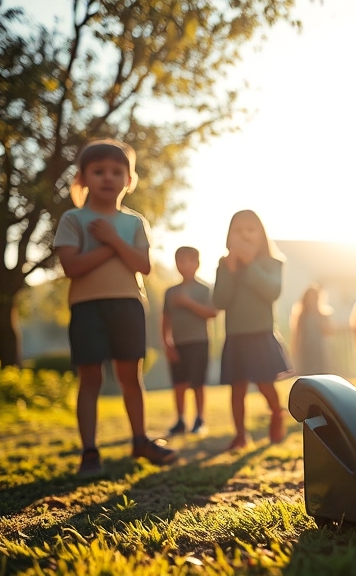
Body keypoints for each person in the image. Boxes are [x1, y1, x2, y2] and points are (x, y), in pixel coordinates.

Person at [53, 139, 177, 477]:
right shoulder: (73, 219)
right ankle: (90, 452)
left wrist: (112, 239)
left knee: (130, 377)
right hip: (87, 308)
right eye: (99, 171)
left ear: (129, 180)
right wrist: (111, 246)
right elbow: (72, 268)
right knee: (90, 378)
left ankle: (140, 440)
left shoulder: (135, 223)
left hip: (128, 306)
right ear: (82, 178)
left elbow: (144, 266)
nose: (108, 177)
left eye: (116, 171)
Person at [212, 210, 292, 451]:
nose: (244, 234)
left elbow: (272, 292)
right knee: (237, 388)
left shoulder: (272, 263)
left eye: (251, 229)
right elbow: (220, 300)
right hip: (236, 336)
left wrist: (249, 265)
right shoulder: (224, 265)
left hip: (260, 334)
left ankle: (277, 413)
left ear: (262, 235)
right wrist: (233, 268)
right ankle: (240, 435)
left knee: (265, 383)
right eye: (238, 230)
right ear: (229, 236)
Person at [162, 246, 218, 437]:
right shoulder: (170, 292)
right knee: (179, 383)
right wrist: (166, 342)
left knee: (197, 383)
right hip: (178, 343)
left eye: (190, 261)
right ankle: (180, 420)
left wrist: (187, 302)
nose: (186, 265)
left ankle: (199, 419)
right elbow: (165, 319)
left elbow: (212, 313)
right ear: (176, 264)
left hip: (199, 342)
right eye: (181, 261)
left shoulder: (204, 290)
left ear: (198, 264)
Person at [290, 285, 333, 376]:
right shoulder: (302, 316)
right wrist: (295, 349)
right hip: (305, 349)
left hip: (319, 349)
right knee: (307, 372)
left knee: (321, 372)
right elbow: (297, 334)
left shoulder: (322, 314)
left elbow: (329, 330)